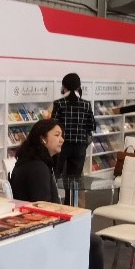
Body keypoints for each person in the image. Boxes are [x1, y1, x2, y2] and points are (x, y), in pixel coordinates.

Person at [9, 119, 128, 269]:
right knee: (95, 242)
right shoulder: (38, 168)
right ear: (42, 139)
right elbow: (44, 211)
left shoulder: (29, 162)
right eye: (56, 135)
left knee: (85, 229)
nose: (62, 139)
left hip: (28, 227)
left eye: (61, 135)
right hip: (41, 232)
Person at [50, 72, 96, 206]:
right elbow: (91, 126)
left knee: (55, 176)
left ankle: (52, 203)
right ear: (79, 87)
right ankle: (71, 206)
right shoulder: (86, 104)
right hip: (79, 147)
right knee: (74, 180)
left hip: (62, 145)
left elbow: (53, 125)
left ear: (64, 86)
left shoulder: (59, 103)